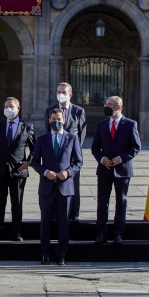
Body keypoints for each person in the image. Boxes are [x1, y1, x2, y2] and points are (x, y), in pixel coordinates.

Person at [30, 108, 83, 266]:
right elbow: (34, 161)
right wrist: (45, 172)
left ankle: (61, 254)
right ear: (49, 120)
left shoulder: (72, 138)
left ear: (64, 120)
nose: (56, 121)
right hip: (47, 187)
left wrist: (68, 172)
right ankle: (45, 253)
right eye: (53, 118)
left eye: (59, 118)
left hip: (64, 187)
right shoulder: (42, 139)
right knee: (45, 222)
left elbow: (78, 162)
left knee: (63, 223)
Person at [91, 96, 141, 245]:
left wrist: (122, 158)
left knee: (121, 202)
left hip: (122, 170)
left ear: (119, 107)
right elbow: (95, 147)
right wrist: (101, 159)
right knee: (102, 202)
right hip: (104, 169)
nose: (107, 107)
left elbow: (135, 147)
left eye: (111, 105)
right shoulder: (102, 125)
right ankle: (101, 232)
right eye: (106, 104)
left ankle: (118, 233)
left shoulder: (130, 124)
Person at [0, 97, 36, 242]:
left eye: (12, 106)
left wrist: (28, 162)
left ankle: (17, 231)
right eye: (6, 106)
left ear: (18, 108)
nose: (9, 109)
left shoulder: (26, 126)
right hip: (0, 170)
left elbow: (35, 149)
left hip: (18, 170)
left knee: (17, 203)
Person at [45, 82, 87, 222]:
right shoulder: (50, 110)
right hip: (55, 153)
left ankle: (74, 212)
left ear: (70, 94)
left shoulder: (78, 111)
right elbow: (47, 132)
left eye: (63, 92)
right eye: (58, 92)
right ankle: (56, 213)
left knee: (74, 183)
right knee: (55, 183)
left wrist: (75, 151)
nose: (60, 95)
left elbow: (81, 133)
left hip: (72, 154)